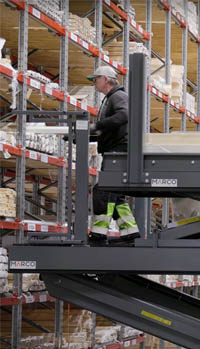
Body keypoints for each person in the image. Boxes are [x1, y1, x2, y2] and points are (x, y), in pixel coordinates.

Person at [86, 66, 140, 243]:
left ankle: (99, 232)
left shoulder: (118, 96)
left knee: (103, 190)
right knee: (115, 194)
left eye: (96, 79)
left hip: (118, 152)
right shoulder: (111, 98)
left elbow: (124, 115)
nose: (94, 83)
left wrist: (97, 126)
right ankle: (130, 232)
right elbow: (111, 128)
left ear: (106, 79)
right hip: (115, 150)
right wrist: (87, 136)